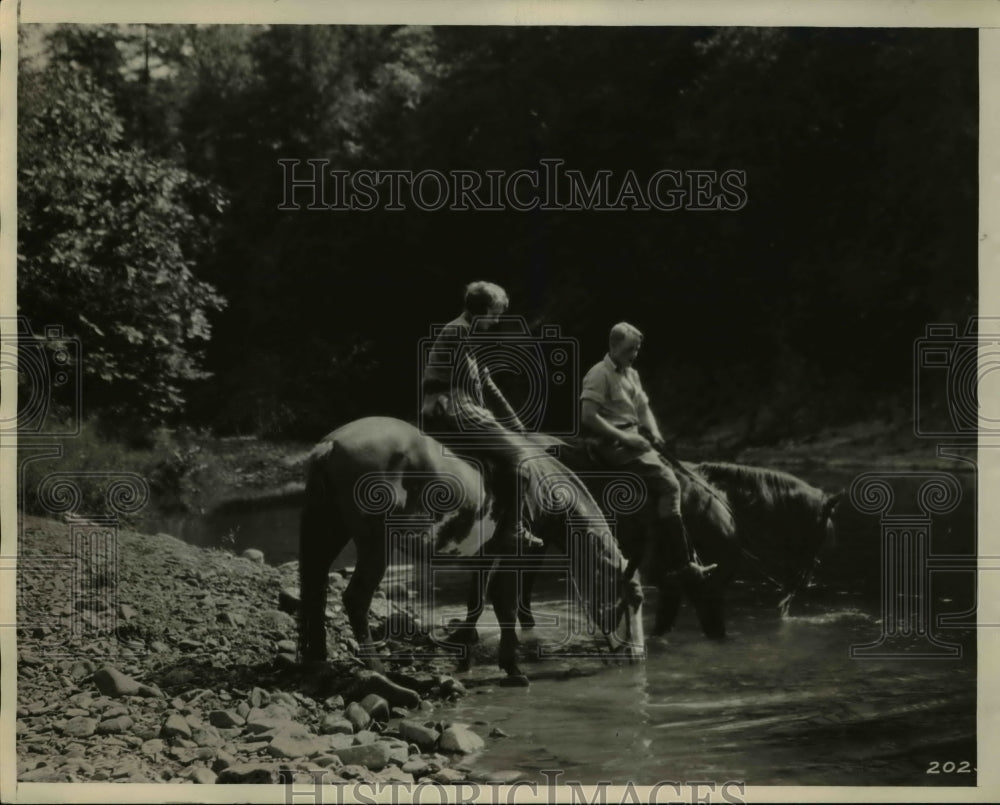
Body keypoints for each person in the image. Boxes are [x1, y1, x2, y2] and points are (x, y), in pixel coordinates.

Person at [580, 322, 713, 580]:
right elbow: (588, 417)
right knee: (669, 485)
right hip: (612, 444)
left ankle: (660, 549)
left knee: (678, 476)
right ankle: (683, 563)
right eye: (630, 349)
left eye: (637, 349)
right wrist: (625, 438)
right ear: (613, 346)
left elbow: (642, 409)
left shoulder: (632, 374)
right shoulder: (598, 374)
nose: (634, 354)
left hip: (634, 438)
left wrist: (654, 433)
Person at [420, 281, 542, 552]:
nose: (497, 319)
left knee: (508, 449)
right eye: (496, 312)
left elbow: (487, 384)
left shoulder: (465, 334)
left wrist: (515, 424)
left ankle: (492, 517)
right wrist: (507, 429)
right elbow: (475, 388)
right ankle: (513, 530)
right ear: (483, 310)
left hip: (454, 403)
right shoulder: (459, 332)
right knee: (521, 456)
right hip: (453, 405)